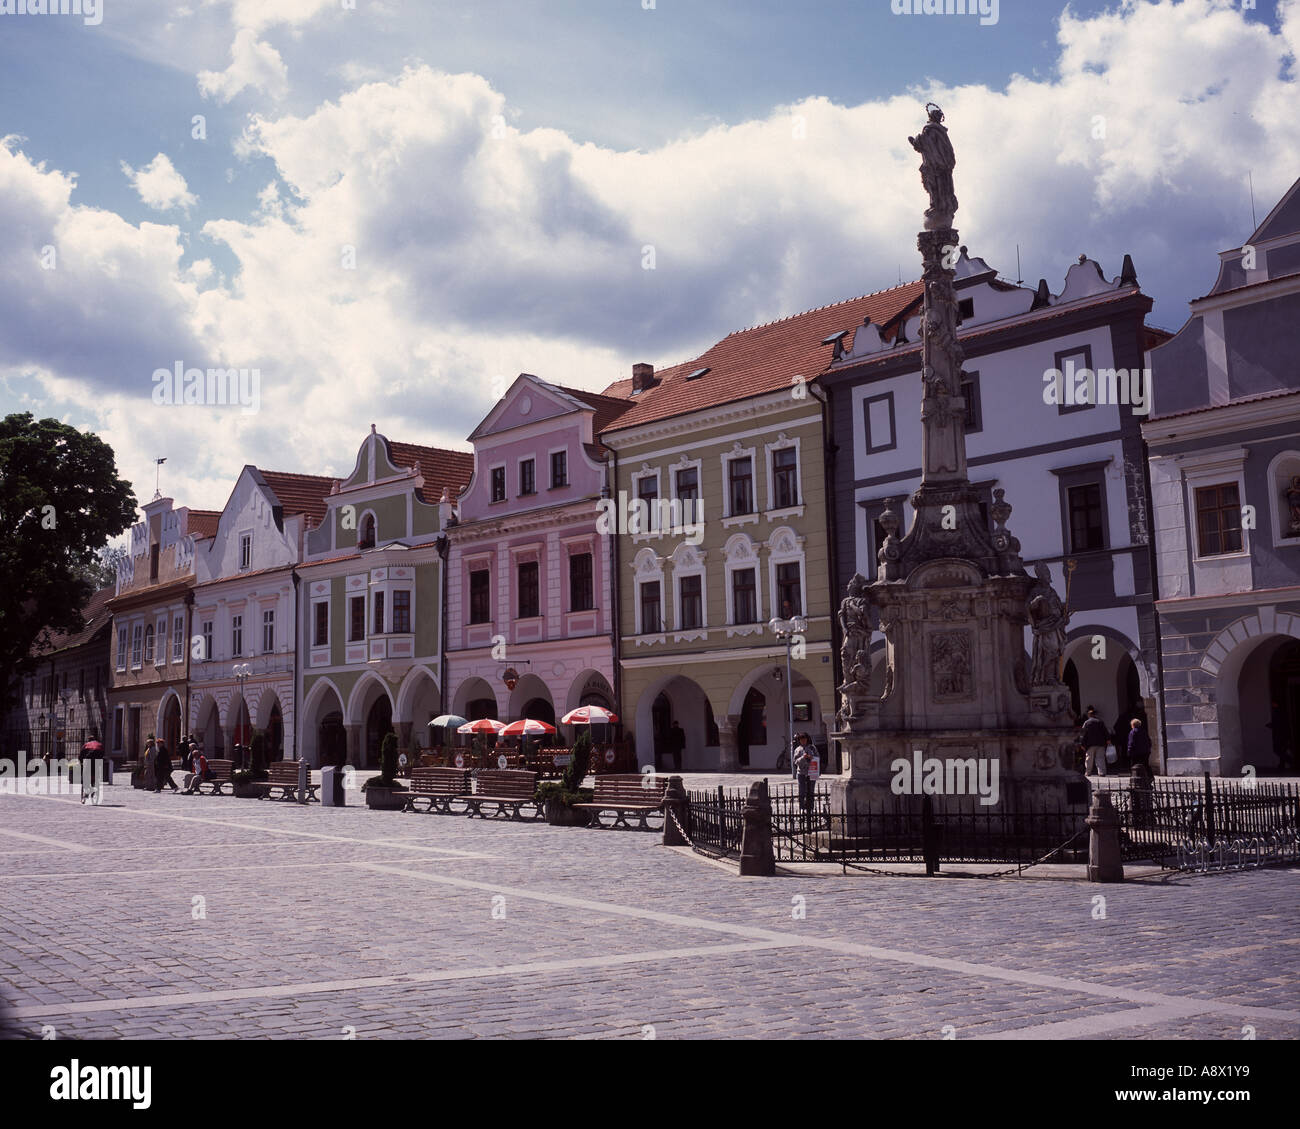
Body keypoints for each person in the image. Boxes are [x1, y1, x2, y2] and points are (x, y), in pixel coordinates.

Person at [793, 733, 816, 824]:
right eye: (801, 739)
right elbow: (795, 761)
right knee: (802, 791)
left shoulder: (812, 748)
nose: (803, 741)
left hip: (811, 772)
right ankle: (802, 810)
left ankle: (810, 810)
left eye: (804, 739)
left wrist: (811, 757)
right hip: (801, 773)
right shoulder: (797, 749)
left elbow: (817, 757)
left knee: (811, 792)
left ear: (807, 739)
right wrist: (803, 757)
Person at [1080, 707, 1109, 777]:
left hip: (1090, 744)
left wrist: (1082, 744)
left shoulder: (1086, 723)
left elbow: (1083, 734)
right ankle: (1101, 772)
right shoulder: (1100, 722)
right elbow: (1105, 732)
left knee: (1089, 759)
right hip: (1100, 743)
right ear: (1095, 715)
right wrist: (1108, 740)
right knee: (1100, 758)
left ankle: (1088, 772)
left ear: (1089, 715)